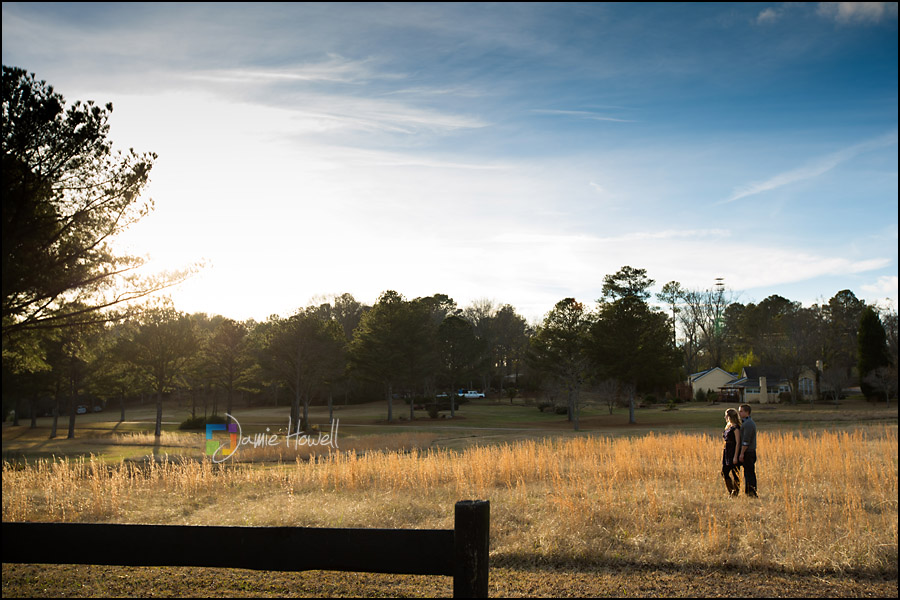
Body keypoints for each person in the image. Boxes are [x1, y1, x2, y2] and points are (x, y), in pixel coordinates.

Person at [738, 404, 758, 497]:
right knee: (747, 472)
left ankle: (752, 492)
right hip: (747, 451)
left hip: (748, 452)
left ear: (747, 412)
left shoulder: (748, 424)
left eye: (741, 411)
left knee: (749, 473)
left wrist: (742, 453)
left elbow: (746, 441)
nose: (739, 413)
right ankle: (748, 492)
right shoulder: (745, 422)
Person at [721, 408, 742, 497]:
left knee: (735, 473)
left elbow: (738, 443)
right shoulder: (729, 427)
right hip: (727, 451)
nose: (725, 417)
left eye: (726, 415)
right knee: (724, 472)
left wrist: (735, 456)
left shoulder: (736, 428)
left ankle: (735, 493)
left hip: (733, 451)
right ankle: (731, 491)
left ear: (730, 417)